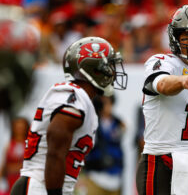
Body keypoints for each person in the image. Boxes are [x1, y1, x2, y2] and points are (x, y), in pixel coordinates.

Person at [10, 36, 128, 195]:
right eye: (108, 66)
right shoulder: (73, 95)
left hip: (46, 186)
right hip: (41, 187)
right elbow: (55, 147)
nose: (113, 72)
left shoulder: (82, 99)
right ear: (93, 69)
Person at [136, 5, 188, 195]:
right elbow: (161, 84)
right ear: (175, 37)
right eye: (186, 35)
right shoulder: (161, 62)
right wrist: (183, 81)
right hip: (160, 160)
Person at [79, 95, 126, 195]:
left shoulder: (118, 124)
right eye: (103, 103)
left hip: (115, 180)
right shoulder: (91, 123)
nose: (106, 106)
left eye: (109, 103)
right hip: (95, 178)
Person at [0, 117, 29, 195]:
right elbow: (4, 165)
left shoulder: (29, 144)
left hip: (24, 181)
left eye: (22, 127)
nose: (19, 129)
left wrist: (14, 167)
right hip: (10, 181)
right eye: (17, 127)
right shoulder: (9, 145)